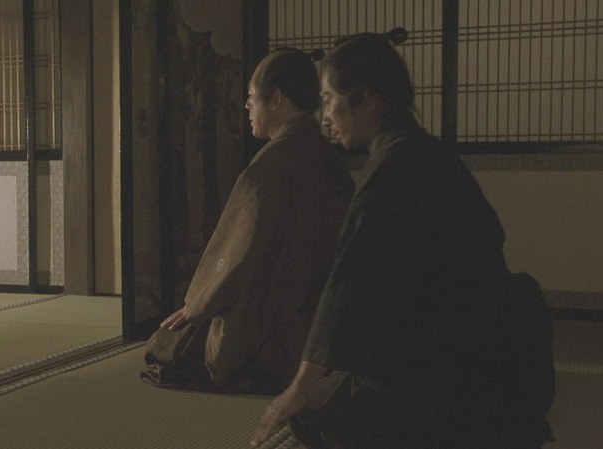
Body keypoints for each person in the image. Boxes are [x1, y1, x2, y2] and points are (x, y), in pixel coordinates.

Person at [250, 29, 555, 448]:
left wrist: (297, 390)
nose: (325, 116)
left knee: (316, 428)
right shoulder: (425, 152)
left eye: (328, 99)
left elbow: (346, 289)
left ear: (367, 99)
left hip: (450, 378)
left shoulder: (394, 169)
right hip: (485, 356)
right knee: (325, 414)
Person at [142, 48, 354, 393]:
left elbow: (234, 257)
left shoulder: (269, 167)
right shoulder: (328, 158)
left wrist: (197, 304)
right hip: (325, 331)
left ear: (277, 100)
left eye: (252, 97)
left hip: (277, 328)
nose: (246, 106)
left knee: (168, 345)